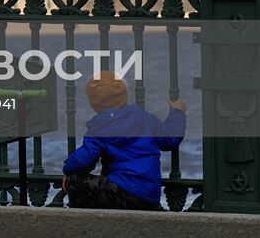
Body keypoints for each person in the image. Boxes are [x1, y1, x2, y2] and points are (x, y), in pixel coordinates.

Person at [61, 71, 186, 210]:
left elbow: (83, 160)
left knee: (75, 181)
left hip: (118, 194)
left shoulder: (98, 128)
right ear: (124, 95)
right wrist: (177, 112)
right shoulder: (145, 118)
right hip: (149, 195)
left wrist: (67, 169)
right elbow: (170, 139)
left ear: (93, 103)